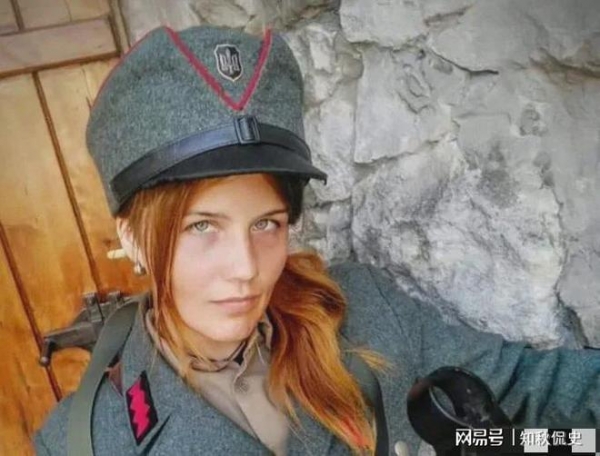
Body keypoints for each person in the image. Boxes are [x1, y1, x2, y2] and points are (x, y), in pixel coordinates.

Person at [34, 24, 600, 456]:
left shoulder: (365, 309)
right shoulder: (84, 442)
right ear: (132, 238)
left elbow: (533, 392)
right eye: (201, 226)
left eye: (267, 223)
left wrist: (527, 445)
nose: (245, 268)